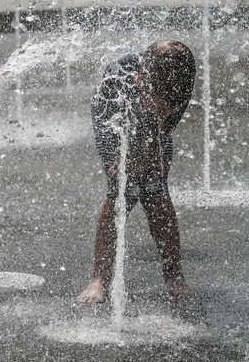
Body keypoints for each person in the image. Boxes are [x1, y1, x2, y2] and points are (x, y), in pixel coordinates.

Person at [76, 40, 196, 304]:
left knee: (156, 189)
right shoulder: (115, 84)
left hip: (150, 120)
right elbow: (114, 128)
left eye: (170, 106)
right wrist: (123, 159)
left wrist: (156, 153)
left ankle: (174, 276)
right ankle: (99, 279)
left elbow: (163, 126)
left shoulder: (179, 84)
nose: (165, 110)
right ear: (140, 80)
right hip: (115, 119)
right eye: (159, 103)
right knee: (122, 191)